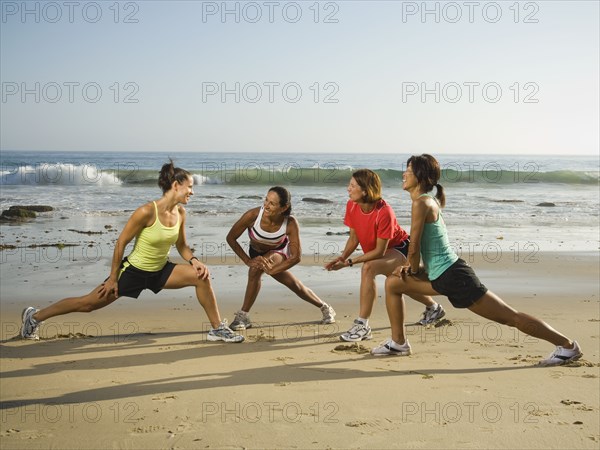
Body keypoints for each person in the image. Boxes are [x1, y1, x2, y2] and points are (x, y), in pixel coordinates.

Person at [373, 154, 582, 366]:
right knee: (393, 283)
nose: (404, 174)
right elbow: (423, 249)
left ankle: (566, 346)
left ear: (420, 175)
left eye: (408, 170)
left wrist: (409, 266)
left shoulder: (422, 203)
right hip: (443, 274)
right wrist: (410, 268)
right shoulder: (426, 201)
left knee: (510, 317)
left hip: (454, 277)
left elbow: (414, 245)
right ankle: (399, 342)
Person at [20, 160, 244, 343]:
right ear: (176, 185)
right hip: (133, 272)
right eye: (190, 187)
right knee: (87, 304)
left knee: (201, 277)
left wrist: (194, 261)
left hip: (160, 271)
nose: (192, 192)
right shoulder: (147, 211)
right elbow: (121, 243)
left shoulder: (181, 213)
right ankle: (34, 316)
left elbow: (182, 246)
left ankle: (217, 329)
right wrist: (113, 279)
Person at [324, 169, 443, 342]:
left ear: (365, 190)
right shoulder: (352, 205)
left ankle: (362, 325)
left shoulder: (384, 212)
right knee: (402, 284)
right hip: (386, 252)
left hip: (400, 247)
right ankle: (434, 307)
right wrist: (342, 257)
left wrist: (350, 262)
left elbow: (379, 251)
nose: (348, 189)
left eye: (352, 185)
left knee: (369, 267)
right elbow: (353, 238)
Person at [226, 186, 336, 330]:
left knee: (255, 271)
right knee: (294, 285)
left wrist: (272, 270)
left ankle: (242, 316)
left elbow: (296, 257)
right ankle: (325, 307)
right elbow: (231, 238)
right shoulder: (253, 216)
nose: (266, 205)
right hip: (255, 252)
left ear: (284, 207)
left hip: (280, 252)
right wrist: (247, 260)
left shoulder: (290, 223)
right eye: (266, 200)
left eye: (272, 203)